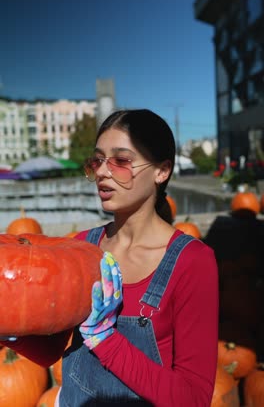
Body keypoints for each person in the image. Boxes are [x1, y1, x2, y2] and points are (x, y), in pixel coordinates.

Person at [2, 109, 219, 406]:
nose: (103, 172)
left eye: (121, 161)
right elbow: (52, 350)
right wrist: (9, 332)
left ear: (162, 171)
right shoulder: (80, 249)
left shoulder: (193, 262)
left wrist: (106, 341)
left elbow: (193, 398)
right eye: (98, 160)